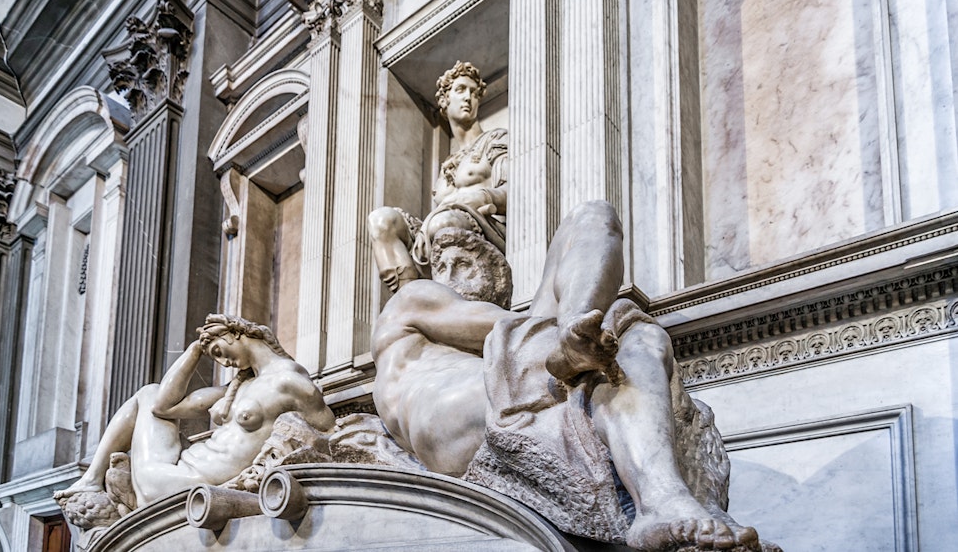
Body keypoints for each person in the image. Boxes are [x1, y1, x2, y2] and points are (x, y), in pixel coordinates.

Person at [371, 201, 766, 551]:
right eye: (444, 265)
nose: (451, 274)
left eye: (466, 264)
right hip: (453, 408)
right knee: (622, 328)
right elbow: (383, 224)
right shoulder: (415, 299)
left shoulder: (496, 336)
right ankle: (660, 497)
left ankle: (664, 500)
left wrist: (573, 318)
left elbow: (517, 326)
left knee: (595, 222)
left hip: (501, 379)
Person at [56, 314, 335, 512]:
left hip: (186, 483)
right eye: (216, 357)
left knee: (147, 394)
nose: (225, 362)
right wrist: (194, 352)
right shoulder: (239, 386)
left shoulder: (289, 381)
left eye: (219, 351)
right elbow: (163, 406)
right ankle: (91, 478)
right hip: (171, 475)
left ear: (234, 333)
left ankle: (92, 480)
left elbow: (329, 433)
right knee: (149, 392)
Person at [368, 61, 507, 294]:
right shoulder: (446, 166)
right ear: (444, 100)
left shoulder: (495, 140)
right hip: (439, 234)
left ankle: (435, 307)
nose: (468, 98)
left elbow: (513, 190)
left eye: (474, 93)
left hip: (484, 230)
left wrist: (480, 198)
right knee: (381, 220)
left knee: (443, 224)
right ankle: (411, 302)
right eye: (460, 90)